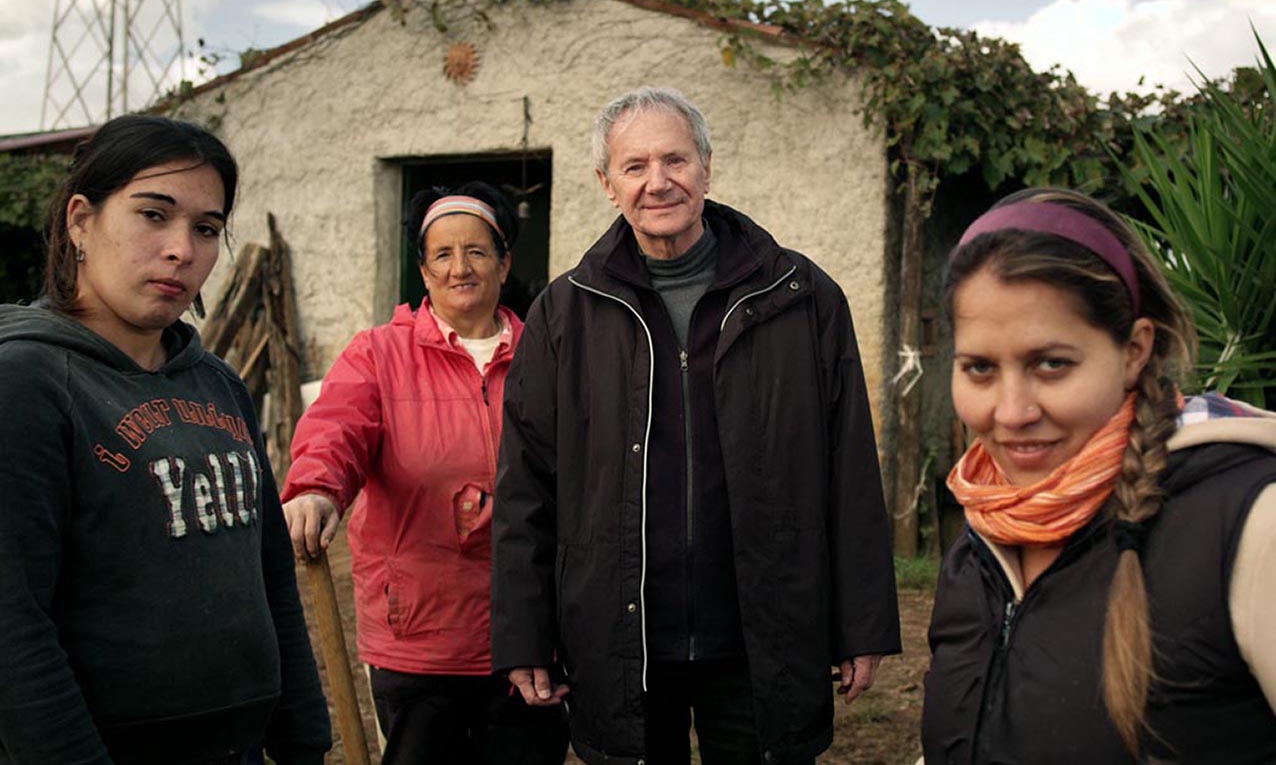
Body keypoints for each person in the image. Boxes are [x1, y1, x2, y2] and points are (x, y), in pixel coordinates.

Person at [491, 86, 901, 764]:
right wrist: (524, 635)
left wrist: (861, 622)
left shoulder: (800, 296)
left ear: (706, 168)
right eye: (635, 165)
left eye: (676, 159)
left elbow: (849, 468)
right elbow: (526, 488)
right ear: (606, 183)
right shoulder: (565, 312)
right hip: (620, 639)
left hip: (760, 632)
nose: (659, 182)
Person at [0, 115, 331, 764]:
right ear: (79, 220)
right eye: (154, 215)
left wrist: (305, 738)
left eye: (206, 229)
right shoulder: (28, 384)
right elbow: (13, 629)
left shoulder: (218, 386)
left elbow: (271, 579)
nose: (183, 249)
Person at [922, 187, 1276, 763]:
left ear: (1135, 351)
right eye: (980, 368)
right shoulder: (981, 539)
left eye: (1052, 364)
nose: (1012, 413)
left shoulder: (1249, 528)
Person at [281, 183, 569, 764]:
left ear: (505, 262)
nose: (460, 267)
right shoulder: (379, 354)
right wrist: (316, 487)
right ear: (423, 269)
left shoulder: (548, 353)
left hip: (527, 631)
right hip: (418, 633)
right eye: (443, 254)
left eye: (478, 252)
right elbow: (338, 427)